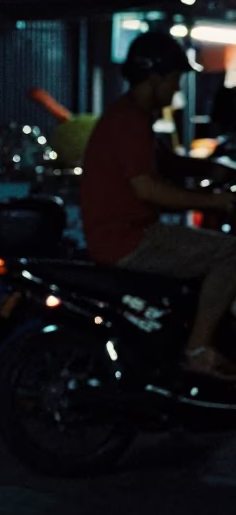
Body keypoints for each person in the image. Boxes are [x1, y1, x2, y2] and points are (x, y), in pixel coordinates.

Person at [81, 30, 236, 378]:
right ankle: (198, 350)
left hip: (127, 234)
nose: (178, 89)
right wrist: (215, 201)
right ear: (155, 78)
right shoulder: (130, 120)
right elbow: (149, 189)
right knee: (231, 253)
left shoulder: (130, 117)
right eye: (176, 79)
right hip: (130, 240)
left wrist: (212, 168)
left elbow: (166, 164)